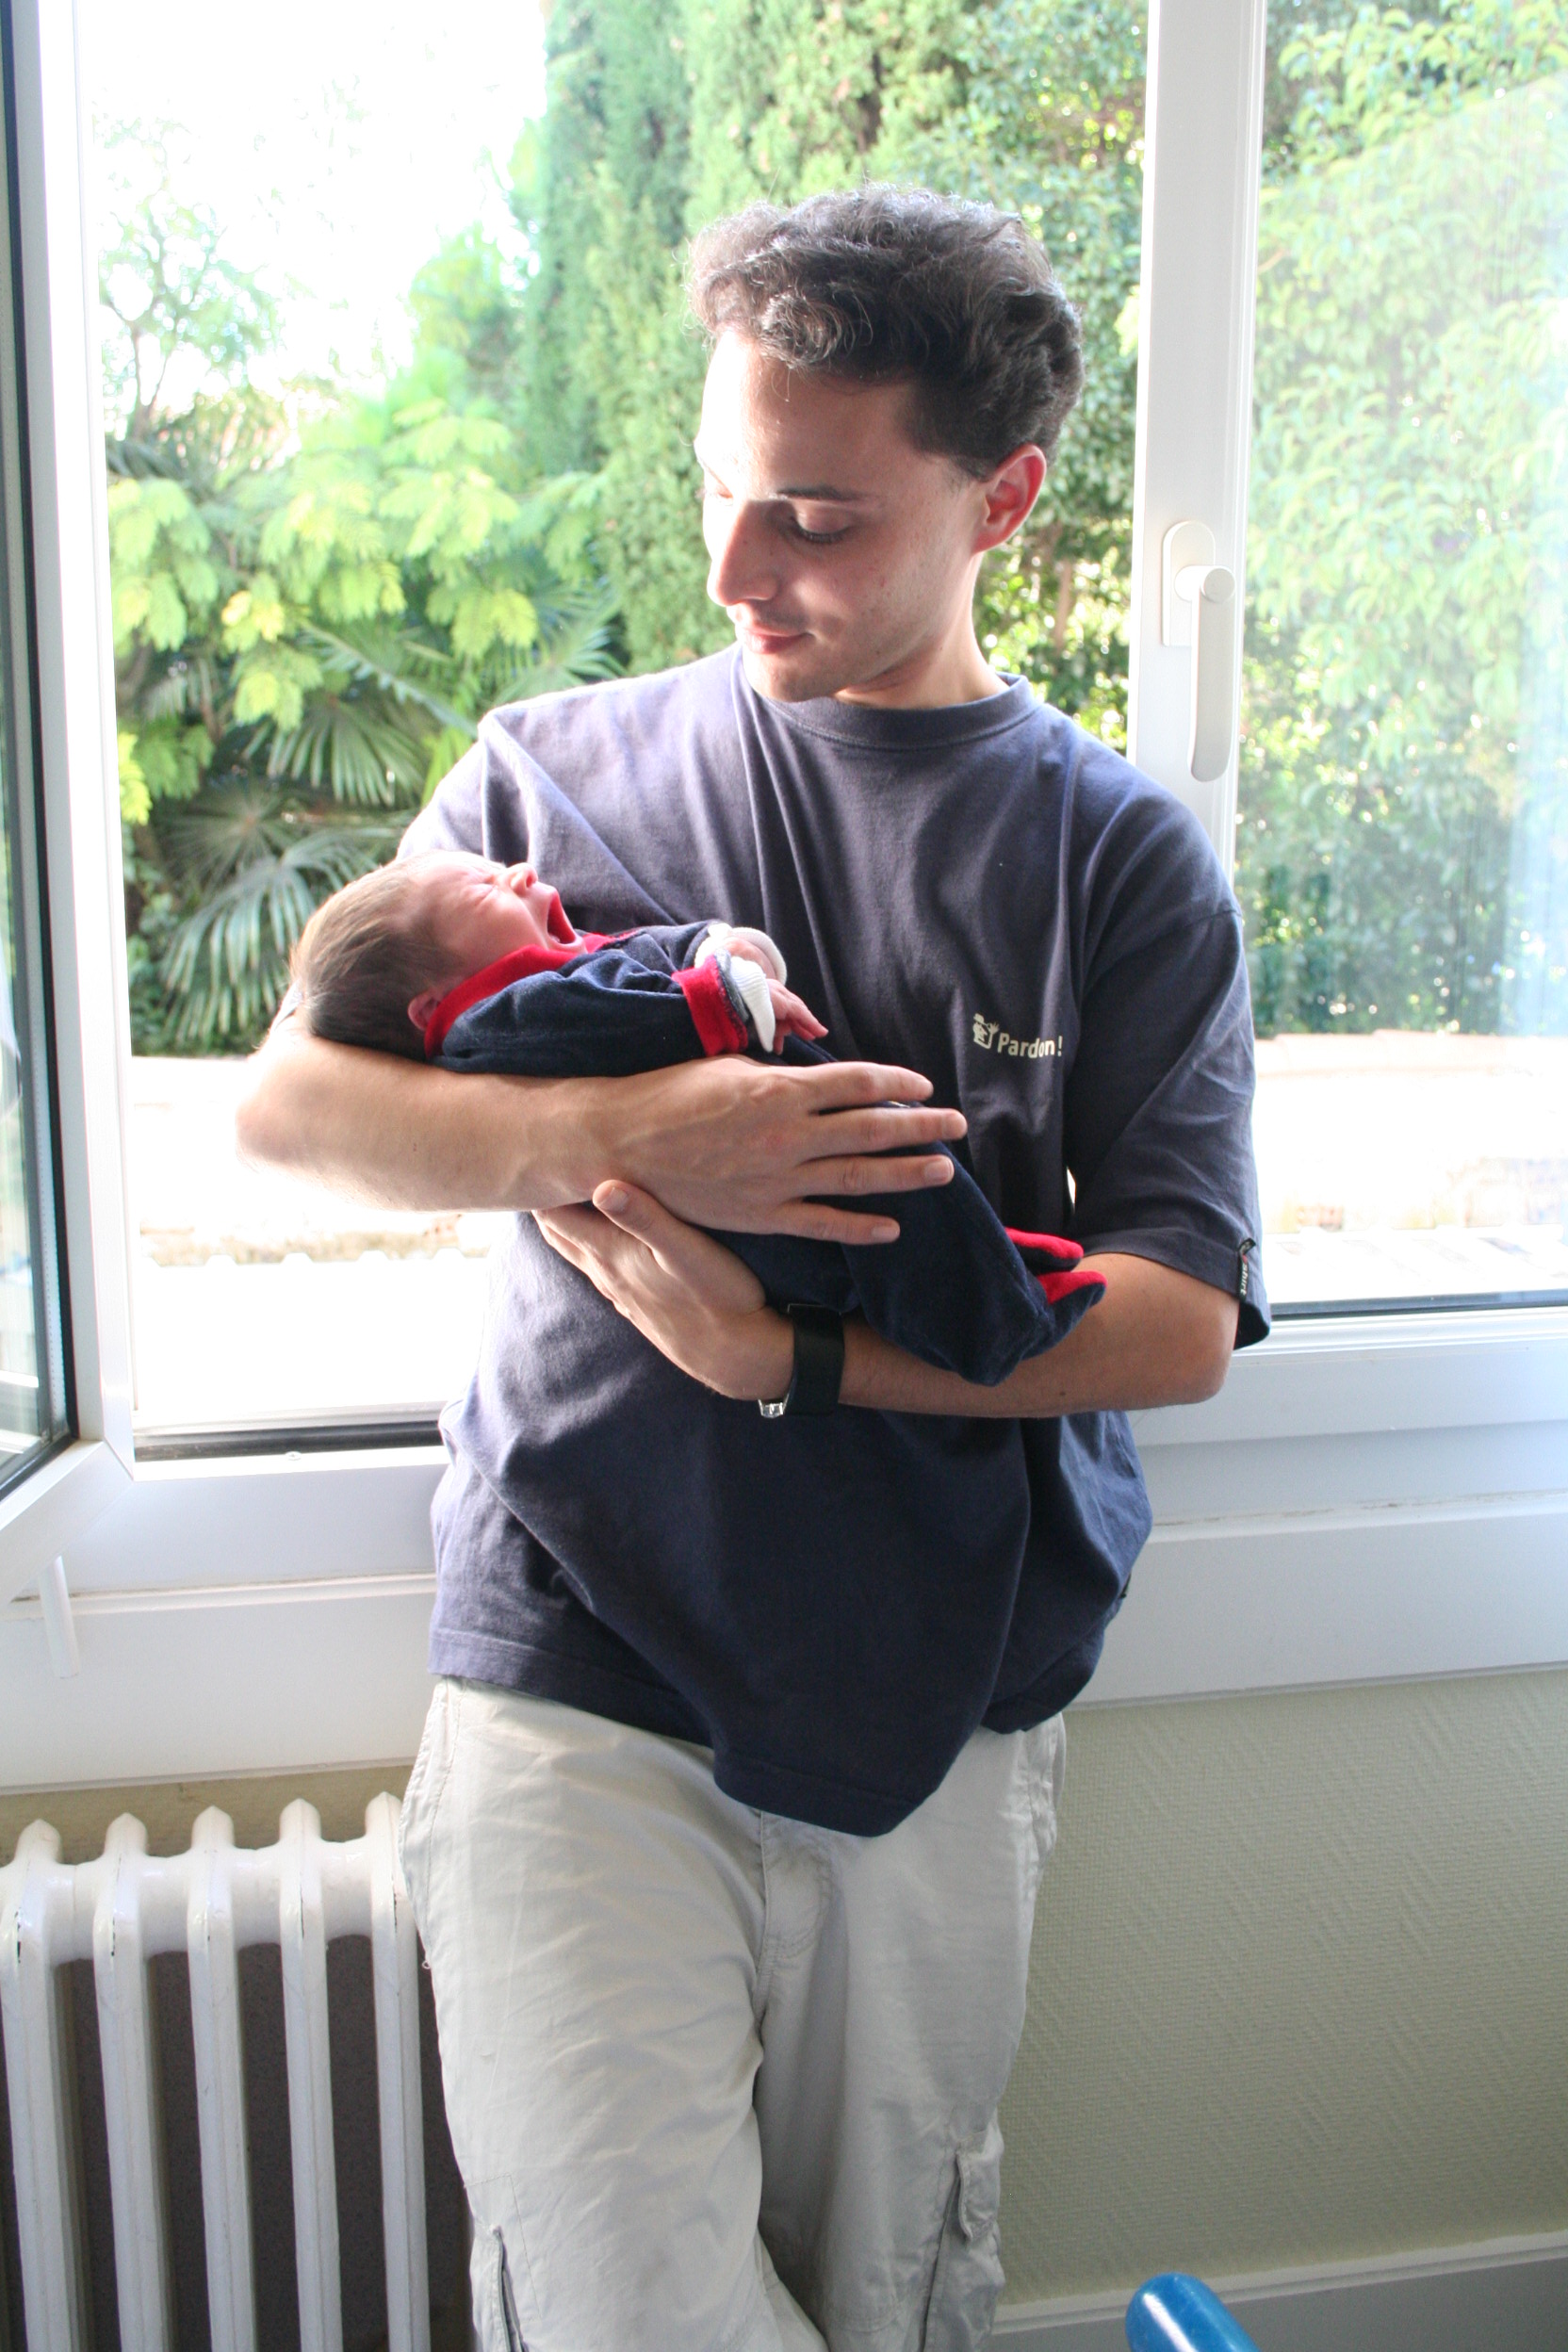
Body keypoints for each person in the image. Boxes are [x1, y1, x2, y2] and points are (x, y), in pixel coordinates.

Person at [237, 186, 1269, 2352]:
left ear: (1000, 499)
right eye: (720, 486)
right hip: (575, 1681)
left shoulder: (1115, 861)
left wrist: (789, 1355)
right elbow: (298, 1110)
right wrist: (628, 1131)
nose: (732, 569)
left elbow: (1173, 1321)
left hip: (940, 1704)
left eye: (811, 516)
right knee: (620, 2309)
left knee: (879, 2295)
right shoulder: (551, 778)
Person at [287, 847, 1105, 1382]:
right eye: (482, 886)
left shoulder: (561, 972)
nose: (520, 871)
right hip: (762, 1226)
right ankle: (991, 1324)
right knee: (889, 1190)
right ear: (432, 1002)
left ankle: (991, 1258)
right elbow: (624, 1013)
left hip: (783, 1188)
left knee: (901, 1176)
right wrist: (717, 995)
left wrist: (722, 947)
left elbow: (646, 957)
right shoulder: (498, 1020)